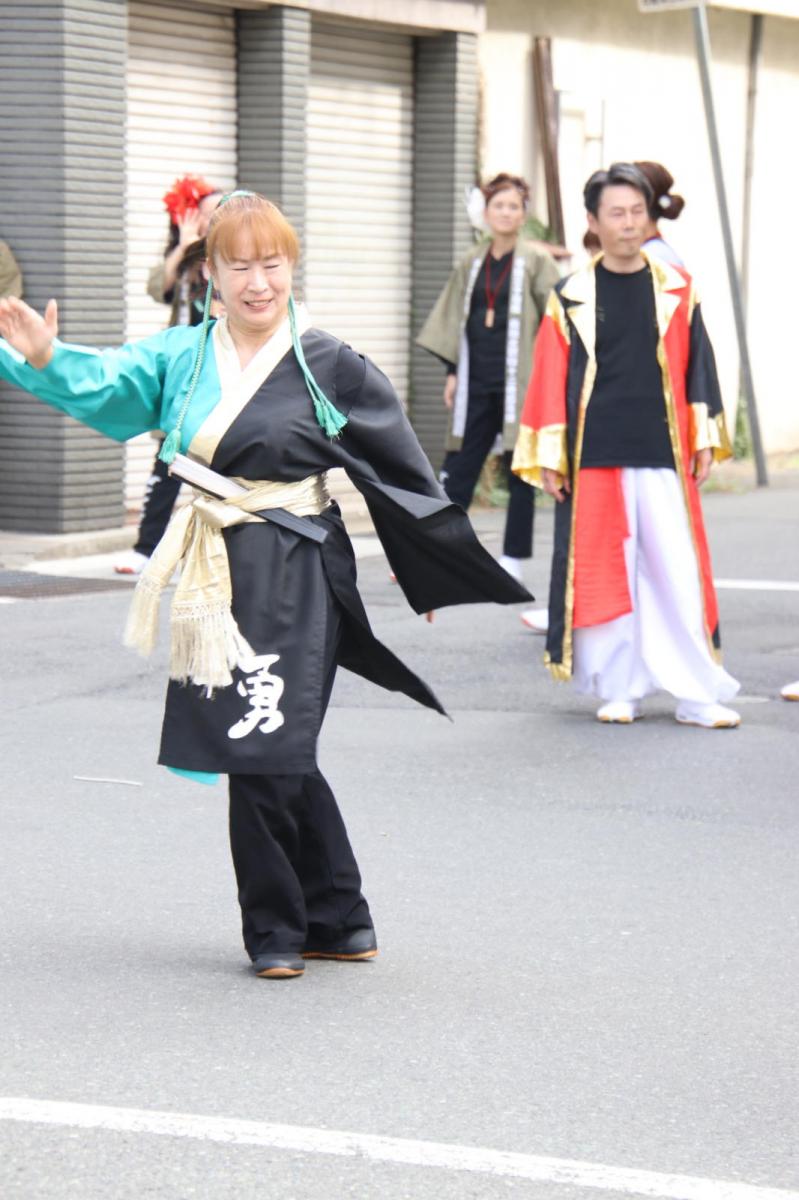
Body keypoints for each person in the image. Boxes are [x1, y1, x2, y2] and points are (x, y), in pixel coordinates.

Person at [0, 191, 530, 981]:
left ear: (291, 266)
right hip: (214, 569)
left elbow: (402, 470)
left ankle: (277, 931)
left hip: (298, 563)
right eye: (239, 265)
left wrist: (428, 568)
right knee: (266, 741)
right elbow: (109, 383)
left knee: (261, 742)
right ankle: (340, 917)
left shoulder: (328, 363)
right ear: (209, 271)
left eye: (271, 264)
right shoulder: (182, 357)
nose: (257, 282)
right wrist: (48, 357)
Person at [512, 162, 740, 729]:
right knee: (606, 574)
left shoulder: (677, 290)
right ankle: (621, 688)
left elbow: (701, 369)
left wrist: (705, 434)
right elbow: (548, 376)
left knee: (675, 572)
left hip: (663, 449)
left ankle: (695, 692)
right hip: (595, 454)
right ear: (594, 221)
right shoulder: (571, 295)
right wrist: (549, 457)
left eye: (638, 212)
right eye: (617, 213)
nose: (630, 223)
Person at [416, 173, 560, 587]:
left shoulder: (537, 261)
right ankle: (441, 551)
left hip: (522, 384)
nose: (506, 213)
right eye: (499, 205)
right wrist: (453, 373)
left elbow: (556, 318)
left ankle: (512, 558)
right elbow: (454, 319)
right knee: (461, 467)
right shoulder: (471, 261)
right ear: (487, 211)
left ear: (523, 214)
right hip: (476, 380)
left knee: (521, 472)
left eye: (514, 206)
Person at [114, 175, 223, 576]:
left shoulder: (233, 255)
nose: (212, 220)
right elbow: (157, 287)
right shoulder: (187, 262)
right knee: (168, 457)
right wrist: (184, 244)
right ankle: (146, 547)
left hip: (226, 368)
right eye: (206, 213)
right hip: (188, 369)